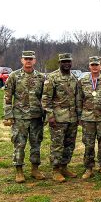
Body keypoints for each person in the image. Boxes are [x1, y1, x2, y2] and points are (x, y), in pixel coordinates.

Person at [3, 51, 46, 183]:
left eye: (30, 59)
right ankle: (19, 170)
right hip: (19, 117)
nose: (28, 61)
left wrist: (46, 115)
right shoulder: (14, 76)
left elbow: (45, 97)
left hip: (36, 117)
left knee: (36, 144)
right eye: (26, 59)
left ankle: (35, 169)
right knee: (19, 144)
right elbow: (7, 97)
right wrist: (8, 115)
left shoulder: (40, 77)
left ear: (34, 61)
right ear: (22, 60)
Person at [41, 53, 80, 182]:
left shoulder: (74, 78)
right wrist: (50, 116)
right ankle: (55, 170)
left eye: (68, 61)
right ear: (60, 63)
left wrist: (78, 116)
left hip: (72, 118)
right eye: (64, 62)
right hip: (58, 118)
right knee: (57, 145)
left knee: (69, 145)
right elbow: (46, 99)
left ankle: (64, 166)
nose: (66, 64)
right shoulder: (52, 78)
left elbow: (77, 98)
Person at [78, 56, 101, 179]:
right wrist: (79, 116)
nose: (94, 67)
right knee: (88, 144)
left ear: (100, 66)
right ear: (89, 66)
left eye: (96, 65)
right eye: (92, 65)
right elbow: (79, 99)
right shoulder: (83, 81)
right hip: (87, 117)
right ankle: (89, 168)